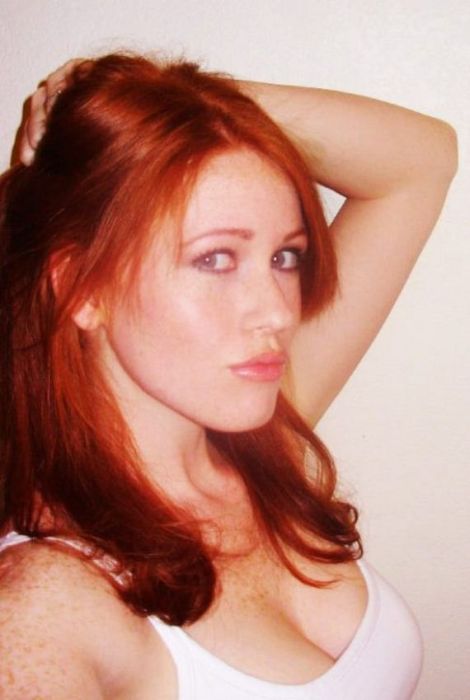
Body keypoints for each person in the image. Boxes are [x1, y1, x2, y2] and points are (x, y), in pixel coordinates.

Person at [0, 53, 457, 699]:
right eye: (215, 259)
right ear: (82, 287)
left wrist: (166, 105)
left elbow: (422, 160)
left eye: (284, 256)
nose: (279, 312)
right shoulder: (42, 610)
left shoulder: (260, 444)